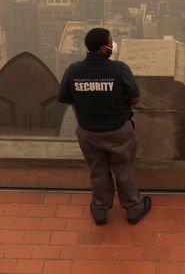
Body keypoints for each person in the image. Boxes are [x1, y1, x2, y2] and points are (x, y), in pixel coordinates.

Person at [57, 27, 151, 226]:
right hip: (118, 130)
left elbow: (66, 98)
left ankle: (100, 210)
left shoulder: (74, 70)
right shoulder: (119, 69)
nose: (112, 44)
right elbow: (135, 98)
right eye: (110, 41)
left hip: (88, 131)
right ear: (102, 49)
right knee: (123, 169)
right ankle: (133, 208)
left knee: (98, 170)